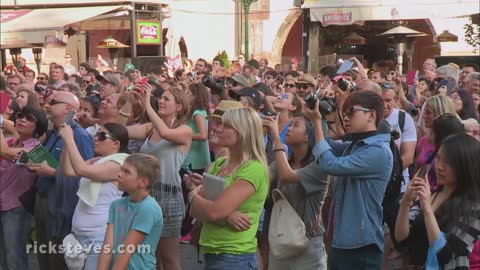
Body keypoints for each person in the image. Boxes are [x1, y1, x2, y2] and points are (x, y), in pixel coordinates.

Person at [309, 90, 393, 270]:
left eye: (351, 112)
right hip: (342, 240)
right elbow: (325, 145)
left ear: (371, 115)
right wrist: (317, 117)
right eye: (344, 113)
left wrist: (317, 123)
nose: (345, 118)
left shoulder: (378, 151)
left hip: (361, 246)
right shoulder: (357, 145)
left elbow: (330, 164)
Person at [188, 107, 269, 269]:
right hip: (212, 252)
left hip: (234, 256)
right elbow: (195, 212)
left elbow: (212, 211)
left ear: (243, 131)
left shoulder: (253, 169)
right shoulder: (219, 164)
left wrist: (193, 196)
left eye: (225, 125)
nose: (217, 129)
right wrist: (227, 214)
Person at [123, 84, 192, 270]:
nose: (160, 100)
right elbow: (120, 131)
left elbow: (166, 133)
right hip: (143, 195)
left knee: (169, 259)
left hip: (167, 198)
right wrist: (129, 102)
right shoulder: (149, 127)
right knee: (148, 255)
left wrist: (147, 104)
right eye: (160, 98)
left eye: (166, 99)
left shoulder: (185, 130)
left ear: (179, 107)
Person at [29, 91, 94, 270]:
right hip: (44, 198)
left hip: (60, 204)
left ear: (68, 108)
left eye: (53, 102)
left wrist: (51, 172)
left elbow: (85, 172)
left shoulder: (78, 135)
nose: (47, 104)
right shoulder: (56, 132)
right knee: (45, 255)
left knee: (57, 257)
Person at [395, 133, 480, 269]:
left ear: (465, 165)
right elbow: (401, 237)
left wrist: (428, 209)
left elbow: (445, 254)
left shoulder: (475, 208)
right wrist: (405, 202)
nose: (439, 166)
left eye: (448, 162)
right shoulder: (433, 194)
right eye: (439, 158)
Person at [58, 123, 129, 270]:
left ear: (116, 144)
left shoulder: (120, 163)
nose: (96, 139)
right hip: (80, 235)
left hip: (99, 237)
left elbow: (81, 169)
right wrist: (66, 142)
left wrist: (70, 139)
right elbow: (67, 170)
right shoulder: (98, 161)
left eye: (102, 136)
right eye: (96, 135)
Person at [263, 113, 329, 269]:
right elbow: (261, 178)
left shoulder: (320, 166)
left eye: (295, 125)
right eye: (289, 124)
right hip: (281, 242)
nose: (289, 128)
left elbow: (287, 175)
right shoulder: (283, 162)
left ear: (308, 137)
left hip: (309, 245)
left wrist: (276, 139)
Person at [0, 106, 48, 270]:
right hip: (2, 204)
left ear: (38, 126)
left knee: (15, 258)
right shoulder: (10, 142)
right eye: (20, 116)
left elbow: (6, 152)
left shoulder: (36, 149)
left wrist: (0, 122)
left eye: (29, 119)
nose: (22, 120)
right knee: (3, 258)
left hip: (17, 208)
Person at [97, 153, 163, 270]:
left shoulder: (148, 208)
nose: (119, 174)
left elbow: (127, 251)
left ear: (143, 182)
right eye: (121, 170)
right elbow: (107, 246)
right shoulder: (116, 205)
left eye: (126, 172)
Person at [184, 83, 211, 173]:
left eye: (188, 93)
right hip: (193, 157)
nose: (185, 95)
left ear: (196, 97)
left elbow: (203, 135)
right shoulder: (196, 111)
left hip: (196, 159)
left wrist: (184, 136)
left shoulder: (198, 113)